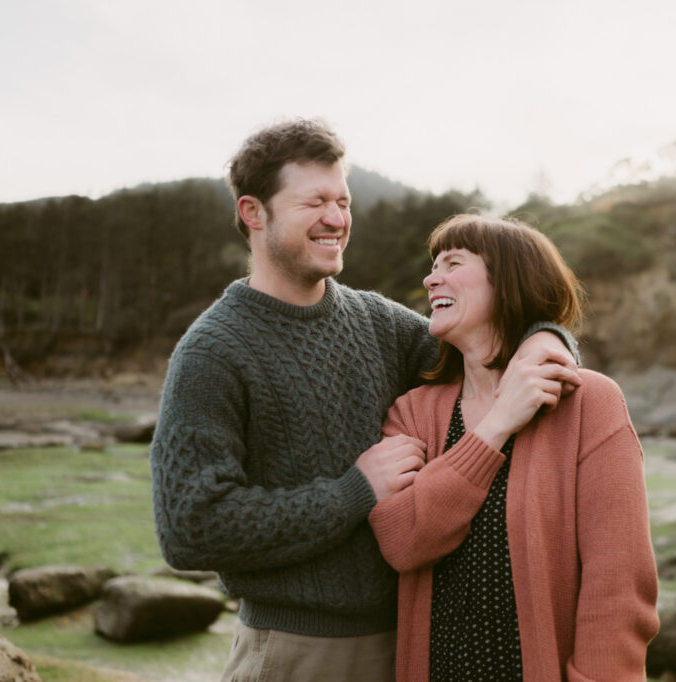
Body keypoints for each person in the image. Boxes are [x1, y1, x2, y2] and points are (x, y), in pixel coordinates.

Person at [149, 119, 581, 682]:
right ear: (254, 213)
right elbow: (189, 527)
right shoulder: (212, 351)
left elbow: (483, 337)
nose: (336, 218)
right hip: (295, 653)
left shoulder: (377, 322)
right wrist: (354, 492)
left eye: (343, 201)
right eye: (314, 202)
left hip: (410, 643)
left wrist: (550, 335)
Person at [369, 214, 660, 682]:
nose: (430, 277)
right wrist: (496, 427)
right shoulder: (414, 412)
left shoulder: (588, 403)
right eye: (432, 265)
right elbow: (403, 543)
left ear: (508, 280)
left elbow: (619, 587)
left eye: (453, 262)